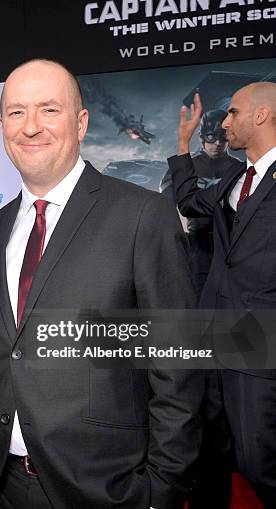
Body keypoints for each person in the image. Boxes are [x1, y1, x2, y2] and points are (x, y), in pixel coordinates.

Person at [0, 59, 202, 509]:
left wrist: (161, 489)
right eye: (16, 112)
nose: (30, 126)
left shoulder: (142, 215)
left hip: (109, 488)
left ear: (81, 123)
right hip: (3, 486)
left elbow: (179, 367)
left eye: (48, 110)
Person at [168, 82, 276, 508]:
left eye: (233, 113)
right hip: (212, 342)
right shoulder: (236, 176)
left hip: (259, 347)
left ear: (262, 116)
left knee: (259, 462)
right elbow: (191, 203)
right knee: (207, 458)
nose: (225, 122)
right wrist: (181, 142)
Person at [160, 109, 242, 296]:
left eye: (223, 137)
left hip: (234, 246)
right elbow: (163, 212)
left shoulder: (241, 169)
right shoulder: (184, 168)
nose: (218, 143)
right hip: (198, 246)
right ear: (202, 137)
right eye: (212, 137)